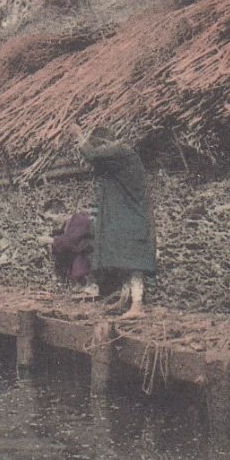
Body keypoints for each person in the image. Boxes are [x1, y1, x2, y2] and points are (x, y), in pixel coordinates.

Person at [78, 128, 157, 318]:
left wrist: (79, 136)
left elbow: (92, 155)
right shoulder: (119, 158)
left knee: (133, 262)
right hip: (126, 217)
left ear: (106, 144)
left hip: (132, 218)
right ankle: (126, 302)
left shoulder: (121, 151)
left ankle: (137, 307)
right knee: (122, 258)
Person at [39, 198, 97, 299]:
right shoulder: (64, 227)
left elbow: (72, 242)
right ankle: (75, 285)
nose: (49, 223)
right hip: (79, 264)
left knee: (82, 251)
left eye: (50, 219)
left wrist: (50, 240)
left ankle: (90, 286)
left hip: (90, 257)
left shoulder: (79, 220)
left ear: (61, 213)